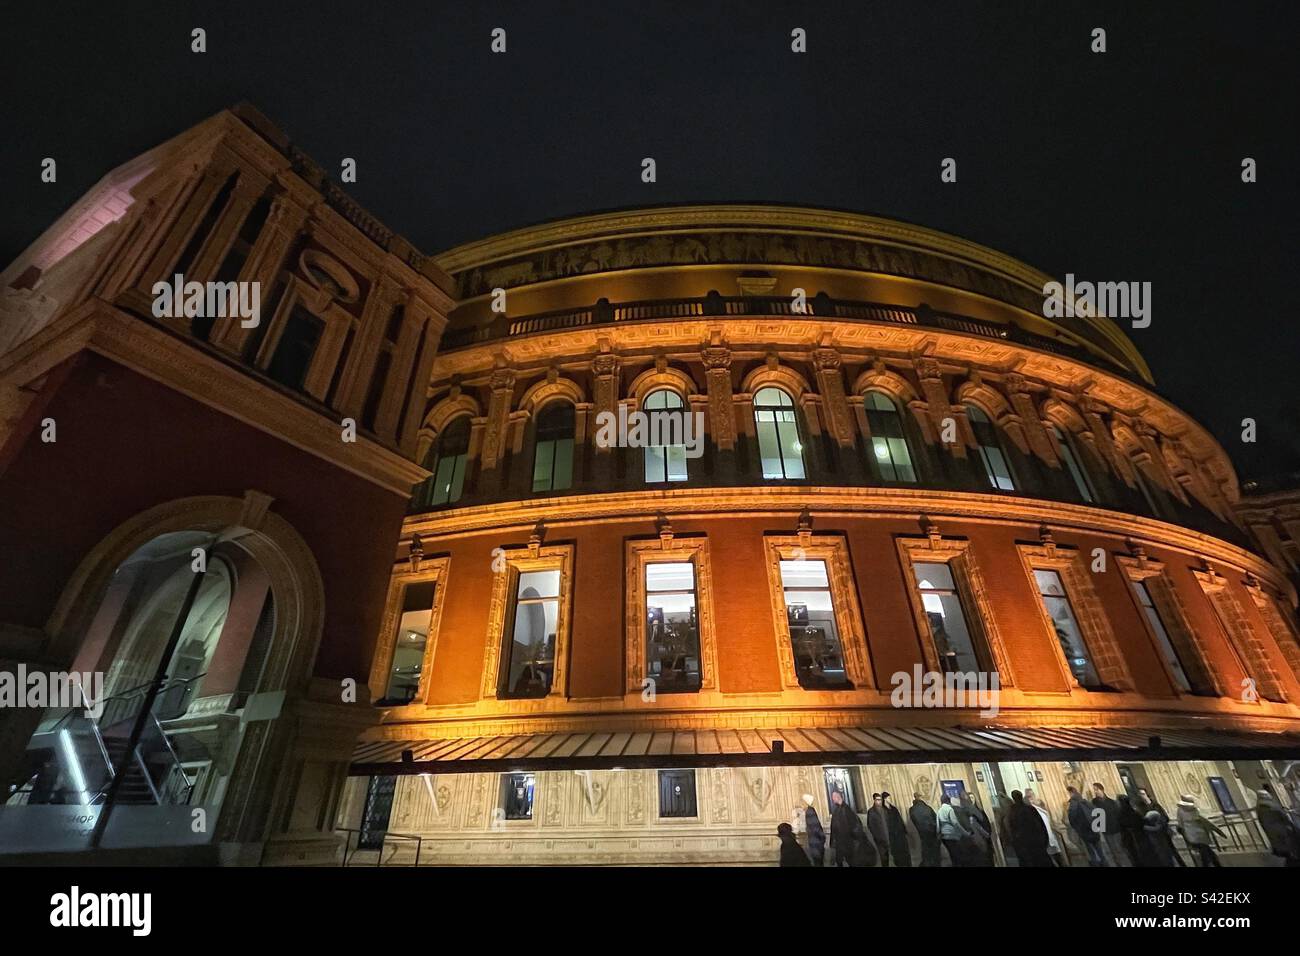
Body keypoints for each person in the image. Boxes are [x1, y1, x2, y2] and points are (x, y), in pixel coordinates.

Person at [1137, 787, 1186, 866]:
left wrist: (1160, 824)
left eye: (1143, 794)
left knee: (1172, 851)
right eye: (1140, 795)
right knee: (1161, 854)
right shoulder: (1140, 808)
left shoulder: (1155, 805)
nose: (1142, 796)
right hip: (1153, 835)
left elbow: (1165, 817)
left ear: (1147, 794)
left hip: (1163, 832)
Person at [1254, 788, 1300, 866]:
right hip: (1286, 838)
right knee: (1294, 858)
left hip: (1285, 839)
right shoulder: (1267, 808)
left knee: (1293, 858)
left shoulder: (1266, 807)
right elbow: (1277, 827)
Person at [1176, 794, 1225, 867]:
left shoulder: (1180, 811)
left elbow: (1180, 824)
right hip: (1200, 835)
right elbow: (1207, 822)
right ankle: (1214, 864)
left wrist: (1183, 833)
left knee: (1204, 852)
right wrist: (1218, 831)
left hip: (1190, 836)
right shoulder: (1196, 810)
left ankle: (1213, 863)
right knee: (1206, 851)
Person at [1006, 789, 1052, 866]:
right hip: (1034, 843)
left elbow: (1012, 830)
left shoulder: (1013, 812)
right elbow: (1040, 825)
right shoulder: (1028, 809)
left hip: (1028, 845)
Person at [1066, 785, 1107, 866]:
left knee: (1091, 853)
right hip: (1094, 829)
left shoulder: (1073, 804)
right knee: (1100, 852)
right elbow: (1097, 812)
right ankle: (1104, 863)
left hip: (1085, 832)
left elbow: (1072, 819)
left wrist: (1078, 829)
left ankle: (1096, 864)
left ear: (1071, 793)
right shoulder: (1085, 801)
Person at [1025, 788, 1066, 866]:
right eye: (1029, 796)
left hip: (1050, 834)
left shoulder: (1040, 807)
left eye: (1032, 795)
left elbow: (1048, 819)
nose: (1032, 798)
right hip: (1043, 837)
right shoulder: (1030, 810)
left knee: (1057, 854)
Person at [1092, 783, 1130, 866]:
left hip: (1116, 829)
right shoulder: (1094, 803)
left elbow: (1117, 815)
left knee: (1120, 850)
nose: (1095, 791)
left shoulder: (1112, 802)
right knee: (1111, 851)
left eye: (1096, 789)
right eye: (1094, 790)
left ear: (1101, 789)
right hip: (1105, 831)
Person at [829, 790, 864, 867]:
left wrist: (855, 840)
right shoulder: (836, 810)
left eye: (833, 797)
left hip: (848, 843)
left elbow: (855, 826)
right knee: (839, 862)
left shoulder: (847, 810)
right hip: (839, 843)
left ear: (838, 797)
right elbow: (834, 827)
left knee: (851, 862)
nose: (832, 799)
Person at [936, 792, 972, 866]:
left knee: (952, 856)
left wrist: (939, 834)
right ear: (948, 801)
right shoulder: (949, 809)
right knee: (958, 857)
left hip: (945, 838)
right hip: (953, 836)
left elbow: (938, 826)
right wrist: (965, 833)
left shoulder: (939, 811)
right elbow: (955, 823)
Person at [1117, 794, 1152, 866]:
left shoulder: (1121, 815)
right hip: (1140, 840)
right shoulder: (1134, 812)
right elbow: (1142, 822)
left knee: (1136, 859)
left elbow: (1123, 828)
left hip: (1133, 841)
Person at [961, 792, 995, 866]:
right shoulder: (966, 813)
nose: (971, 800)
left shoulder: (980, 811)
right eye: (969, 798)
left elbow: (987, 825)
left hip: (985, 841)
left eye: (972, 798)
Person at [880, 792, 913, 867]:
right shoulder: (883, 810)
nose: (890, 799)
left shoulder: (894, 809)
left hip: (900, 834)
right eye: (888, 798)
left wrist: (904, 830)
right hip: (892, 836)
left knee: (905, 852)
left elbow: (899, 820)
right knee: (897, 854)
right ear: (884, 799)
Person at [910, 793, 941, 867]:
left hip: (922, 832)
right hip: (932, 831)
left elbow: (914, 821)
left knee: (926, 850)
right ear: (920, 798)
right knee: (934, 850)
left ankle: (927, 863)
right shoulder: (927, 807)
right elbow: (935, 818)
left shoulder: (912, 809)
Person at [866, 793, 892, 866]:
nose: (879, 801)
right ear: (874, 800)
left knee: (887, 856)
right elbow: (870, 825)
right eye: (877, 800)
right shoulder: (871, 812)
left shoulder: (884, 810)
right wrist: (877, 836)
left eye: (880, 800)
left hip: (887, 835)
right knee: (883, 856)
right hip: (879, 838)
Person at [802, 793, 825, 866]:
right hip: (816, 842)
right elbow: (816, 827)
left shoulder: (809, 811)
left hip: (814, 842)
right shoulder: (810, 811)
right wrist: (822, 837)